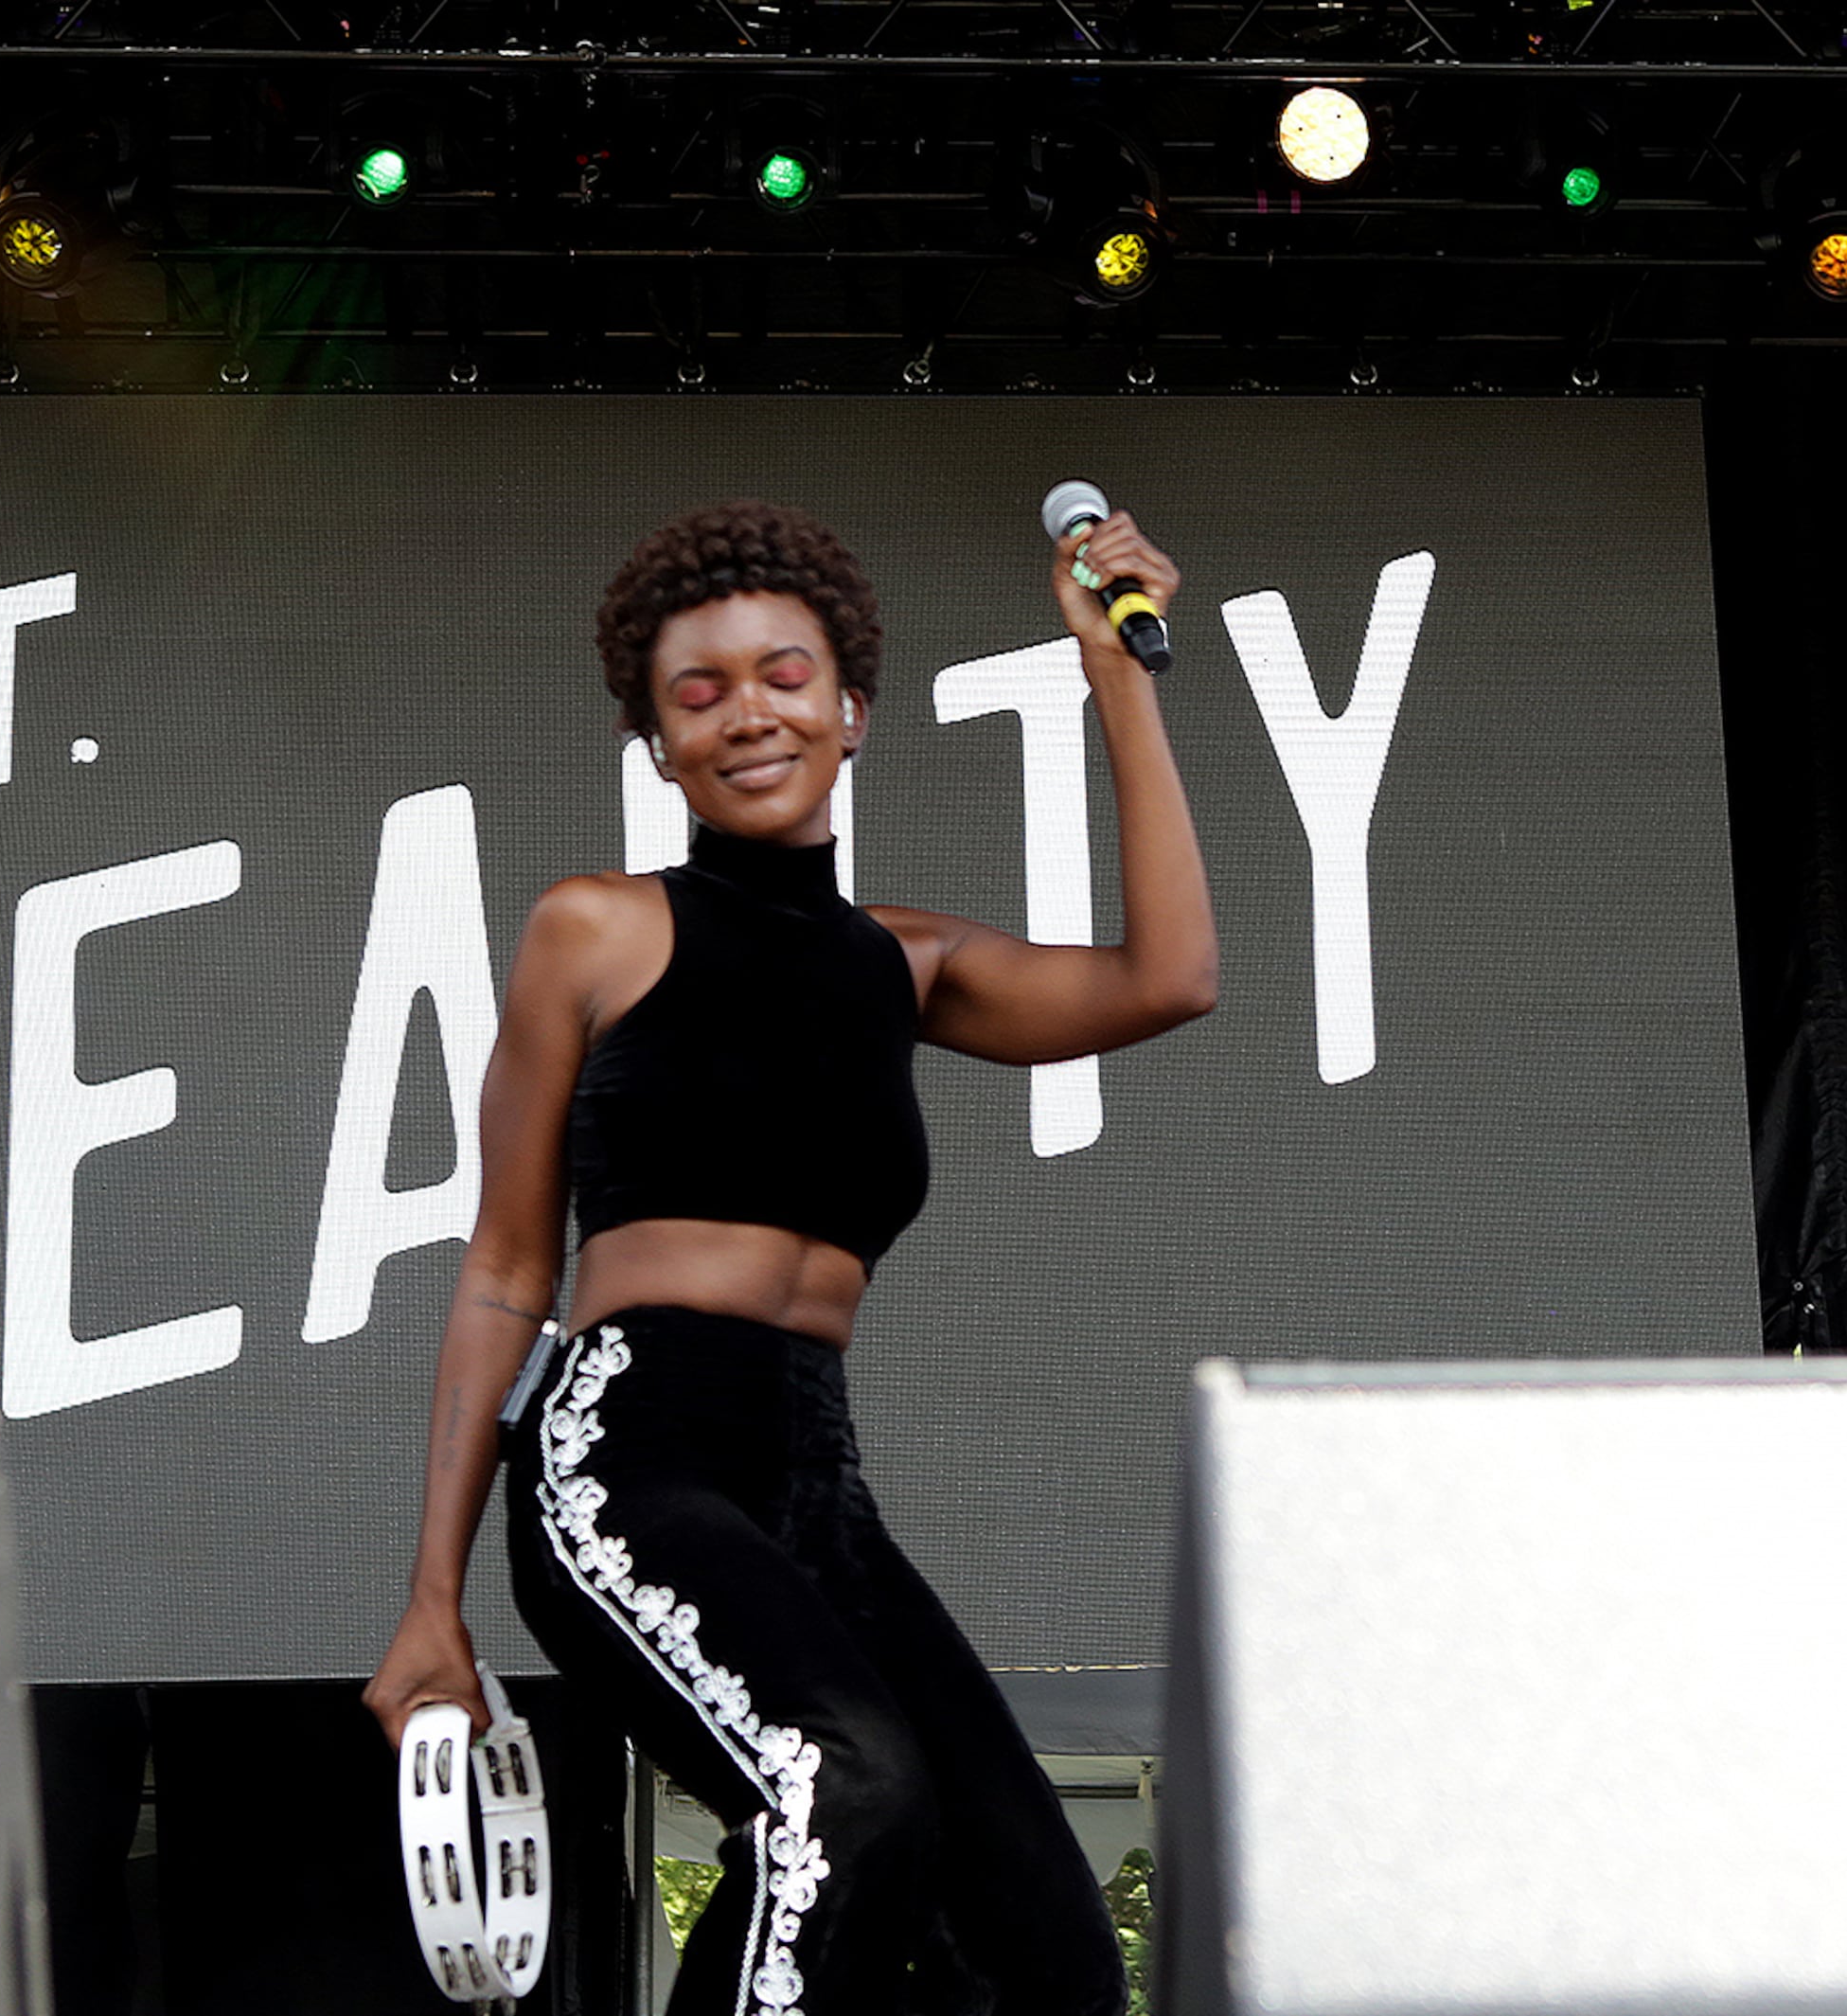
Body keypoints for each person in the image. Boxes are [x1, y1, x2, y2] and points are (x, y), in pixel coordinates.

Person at [363, 498, 1217, 2014]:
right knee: (840, 1787)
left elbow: (1172, 977)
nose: (747, 714)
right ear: (657, 746)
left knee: (1047, 1949)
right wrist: (434, 1597)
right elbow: (505, 1267)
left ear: (851, 711)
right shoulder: (596, 929)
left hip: (813, 1480)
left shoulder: (907, 962)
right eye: (699, 694)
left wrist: (1112, 673)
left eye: (784, 675)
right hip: (627, 1453)